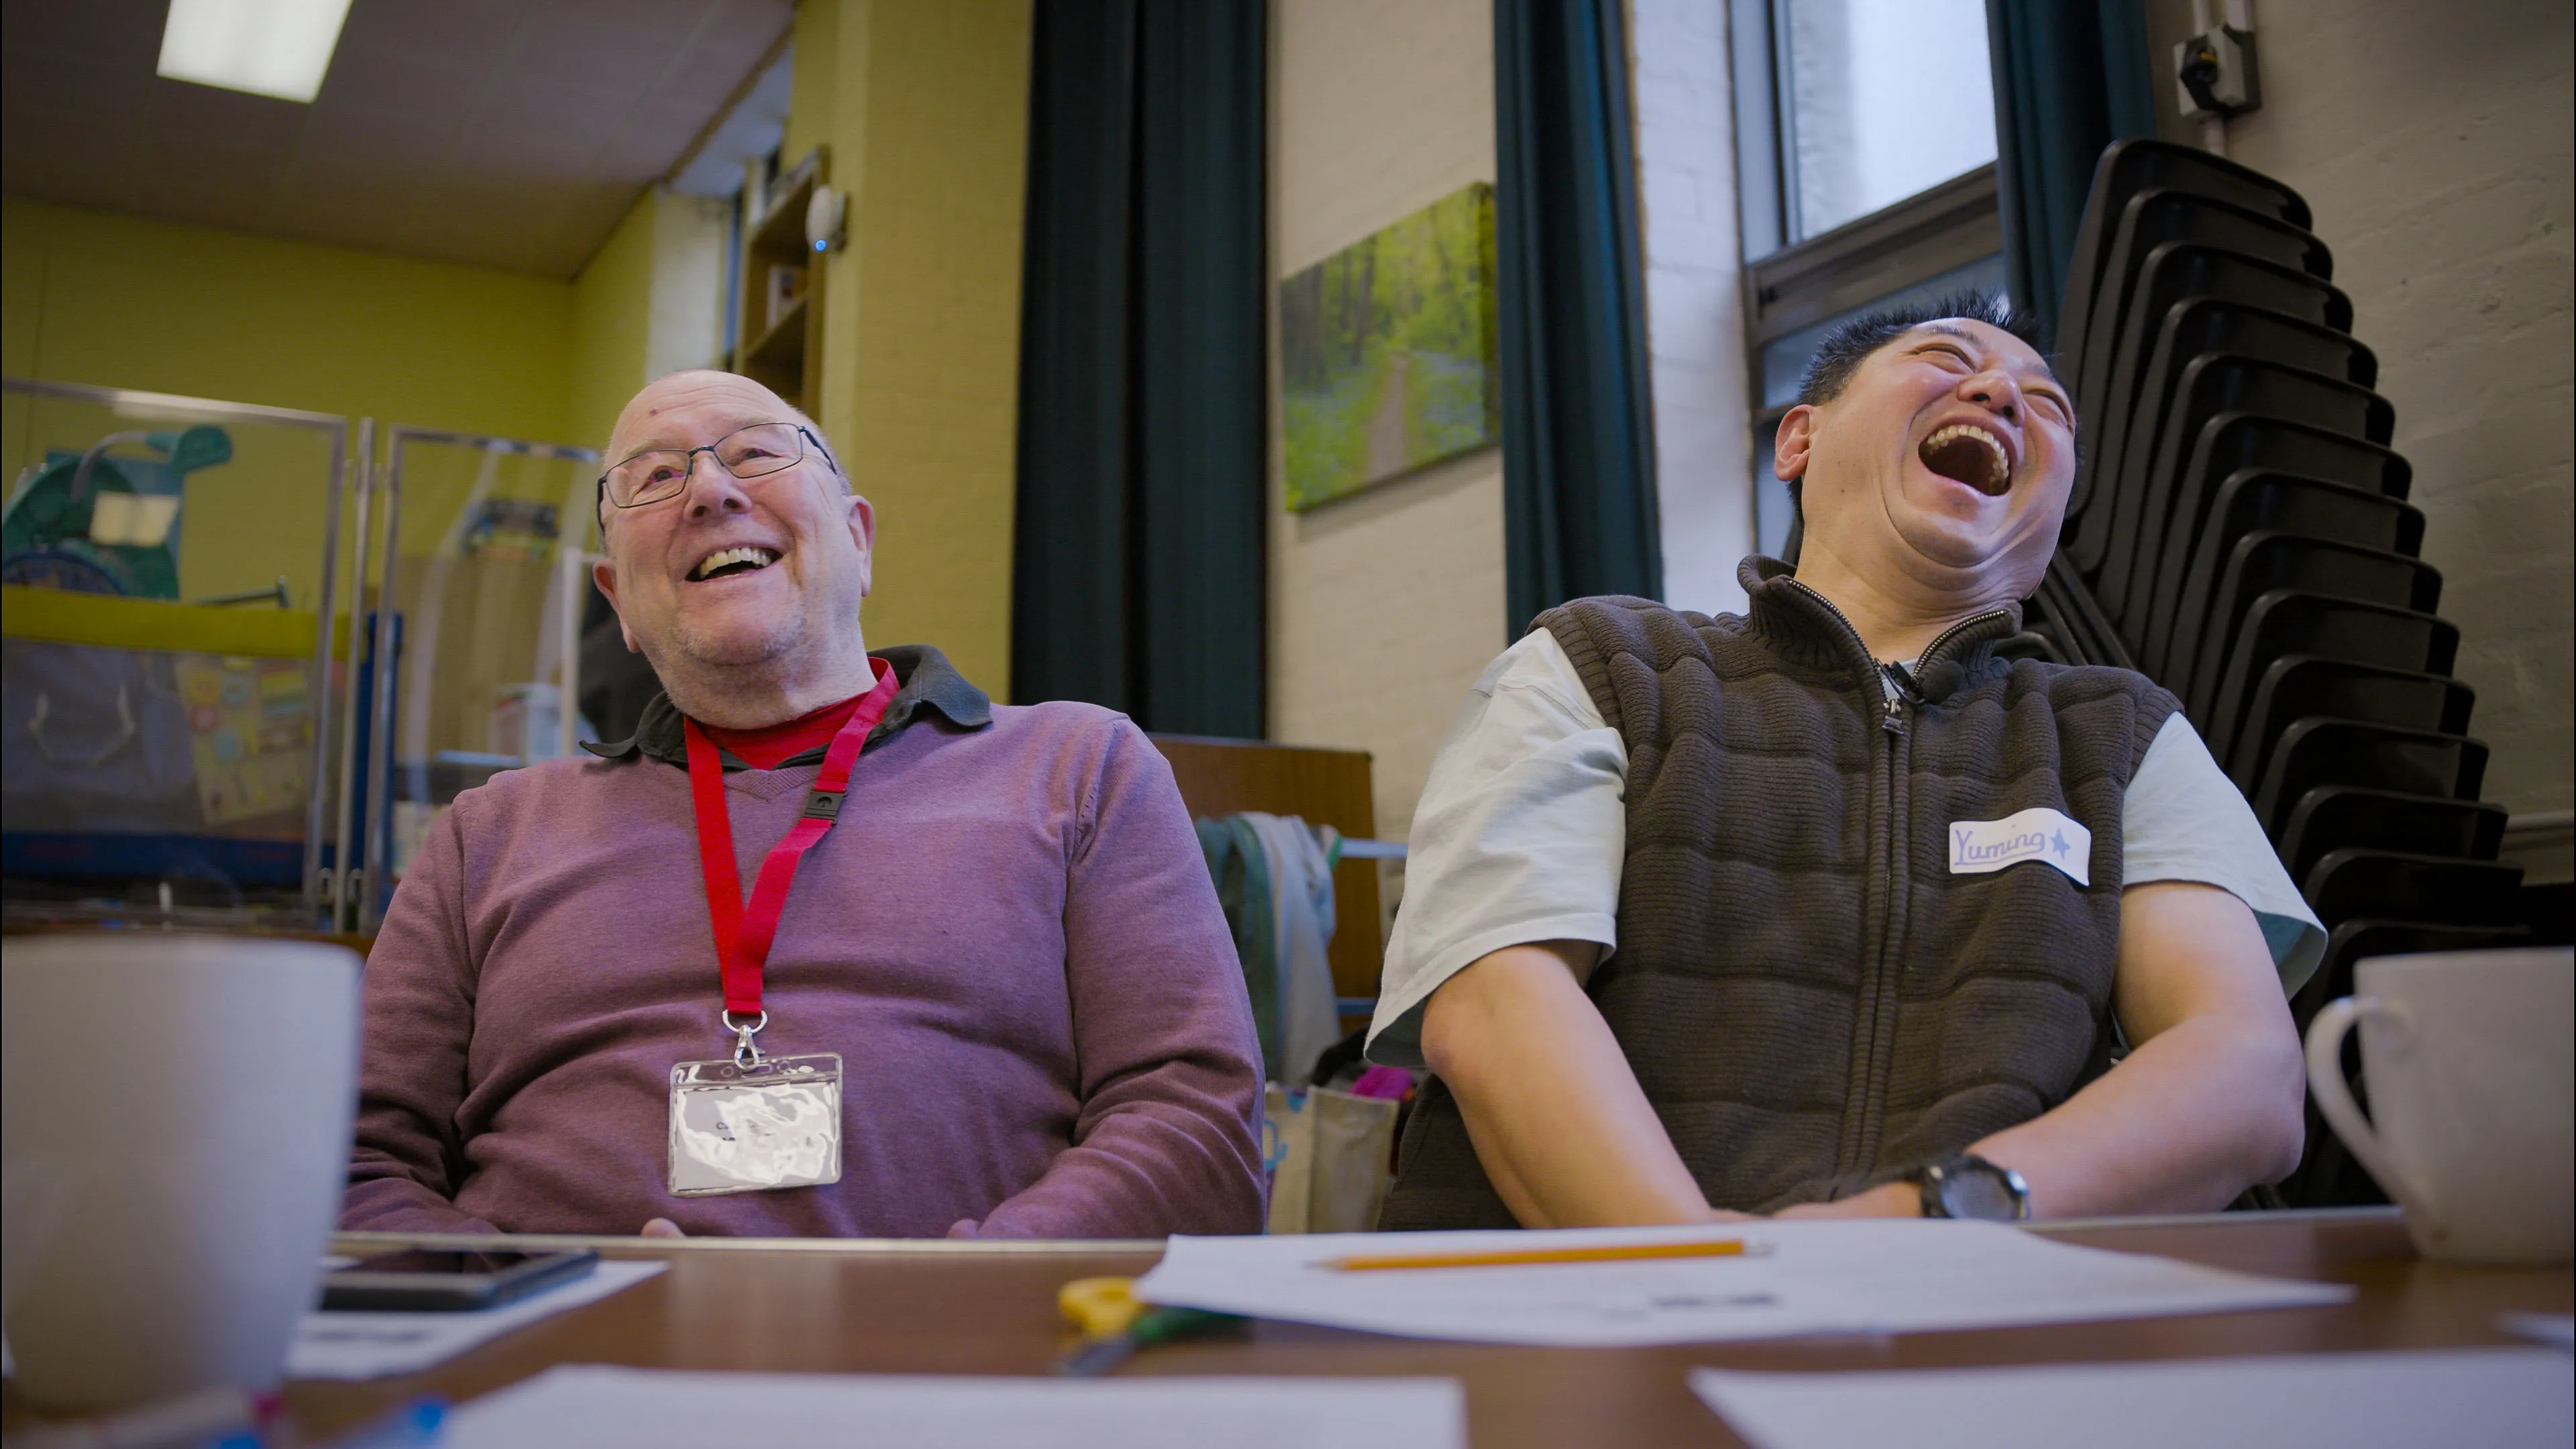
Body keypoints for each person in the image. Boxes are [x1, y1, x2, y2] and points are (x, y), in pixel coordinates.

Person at [1368, 293, 2320, 1229]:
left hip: (1971, 1308)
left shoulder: (2122, 737)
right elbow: (1494, 1001)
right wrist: (1715, 1279)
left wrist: (1925, 1223)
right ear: (1799, 440)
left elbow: (2243, 1068)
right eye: (1945, 360)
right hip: (1577, 1310)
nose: (2000, 394)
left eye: (2048, 406)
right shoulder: (1602, 666)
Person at [343, 370, 1266, 1238]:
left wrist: (981, 1287)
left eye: (755, 453)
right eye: (656, 477)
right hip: (556, 1344)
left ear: (858, 541)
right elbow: (349, 1161)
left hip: (975, 1339)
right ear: (617, 599)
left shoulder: (1082, 770)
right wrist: (521, 1300)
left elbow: (1194, 1123)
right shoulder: (487, 835)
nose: (711, 493)